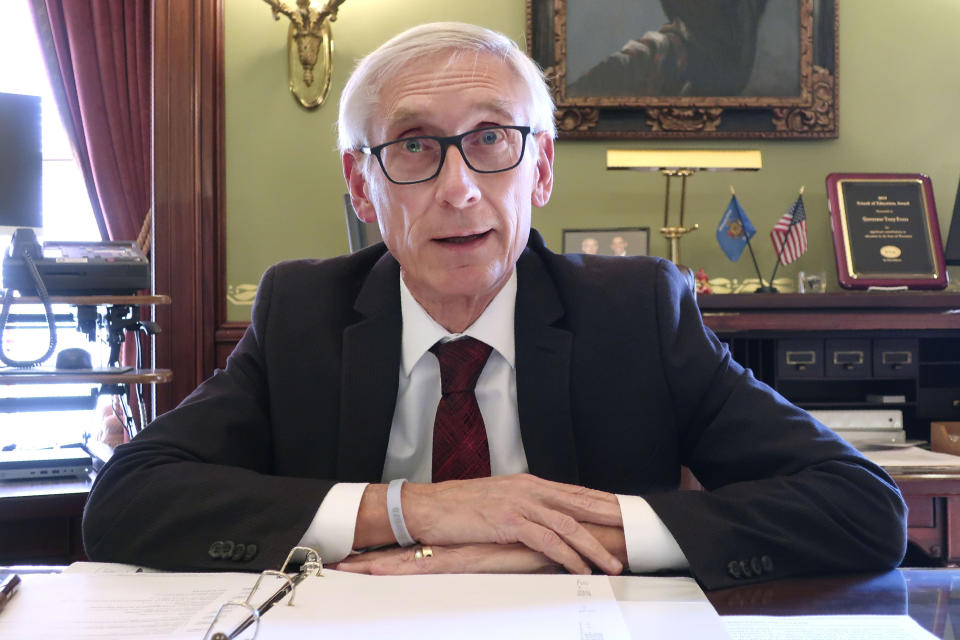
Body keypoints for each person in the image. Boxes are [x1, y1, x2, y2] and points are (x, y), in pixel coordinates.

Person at [82, 22, 906, 590]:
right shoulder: (304, 311)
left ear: (540, 171)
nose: (459, 189)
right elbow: (127, 502)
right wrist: (414, 511)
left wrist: (556, 542)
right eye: (413, 146)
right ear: (360, 184)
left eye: (491, 140)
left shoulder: (636, 314)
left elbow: (862, 508)